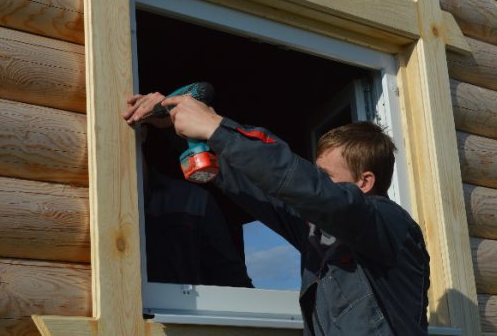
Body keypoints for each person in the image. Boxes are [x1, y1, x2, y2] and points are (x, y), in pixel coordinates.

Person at [125, 92, 430, 335]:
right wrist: (188, 130)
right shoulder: (325, 234)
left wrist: (217, 127)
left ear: (364, 182)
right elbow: (269, 190)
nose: (316, 182)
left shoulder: (391, 224)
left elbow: (307, 188)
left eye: (325, 176)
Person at [124, 96, 253, 288]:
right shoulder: (92, 204)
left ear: (142, 133)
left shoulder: (193, 201)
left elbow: (233, 282)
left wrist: (175, 120)